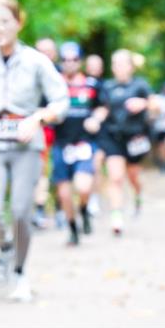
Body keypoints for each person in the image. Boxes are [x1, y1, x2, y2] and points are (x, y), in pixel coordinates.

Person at [0, 0, 68, 302]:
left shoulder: (37, 62)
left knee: (21, 211)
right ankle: (5, 248)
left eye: (5, 21)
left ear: (19, 22)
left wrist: (39, 117)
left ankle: (19, 271)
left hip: (26, 144)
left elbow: (61, 100)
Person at [89, 50, 154, 236]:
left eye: (122, 63)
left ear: (130, 66)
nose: (118, 67)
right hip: (113, 137)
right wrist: (95, 119)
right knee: (115, 177)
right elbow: (103, 108)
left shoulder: (140, 85)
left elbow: (156, 103)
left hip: (135, 139)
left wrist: (144, 104)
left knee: (133, 176)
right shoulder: (107, 87)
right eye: (115, 63)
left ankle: (138, 194)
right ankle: (116, 217)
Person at [51, 42, 100, 246]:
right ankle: (72, 228)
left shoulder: (91, 85)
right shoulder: (53, 85)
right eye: (65, 60)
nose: (69, 64)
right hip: (61, 145)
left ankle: (84, 210)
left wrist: (96, 118)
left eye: (74, 59)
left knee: (83, 186)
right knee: (64, 193)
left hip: (84, 144)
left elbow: (102, 107)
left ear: (80, 61)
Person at [32, 37, 59, 230]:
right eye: (41, 51)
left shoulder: (62, 74)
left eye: (49, 51)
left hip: (61, 130)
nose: (45, 55)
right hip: (38, 128)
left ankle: (59, 208)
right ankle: (39, 209)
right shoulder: (29, 74)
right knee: (41, 169)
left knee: (58, 168)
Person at [84, 54, 106, 216]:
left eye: (96, 65)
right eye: (91, 65)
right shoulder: (79, 83)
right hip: (81, 133)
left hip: (100, 133)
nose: (93, 68)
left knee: (96, 165)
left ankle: (94, 199)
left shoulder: (105, 86)